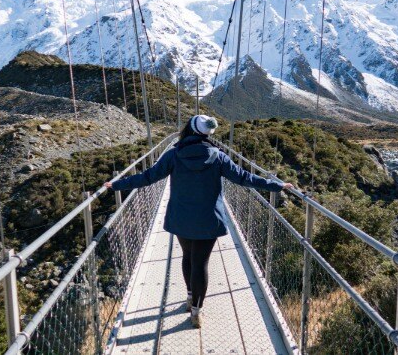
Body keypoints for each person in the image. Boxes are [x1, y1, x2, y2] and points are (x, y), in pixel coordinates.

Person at [105, 115, 293, 328]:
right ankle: (196, 310)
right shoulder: (218, 157)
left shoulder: (173, 155)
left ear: (189, 130)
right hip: (208, 219)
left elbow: (148, 177)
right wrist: (276, 185)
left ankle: (189, 296)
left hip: (181, 218)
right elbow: (244, 178)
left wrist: (117, 185)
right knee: (201, 262)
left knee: (187, 256)